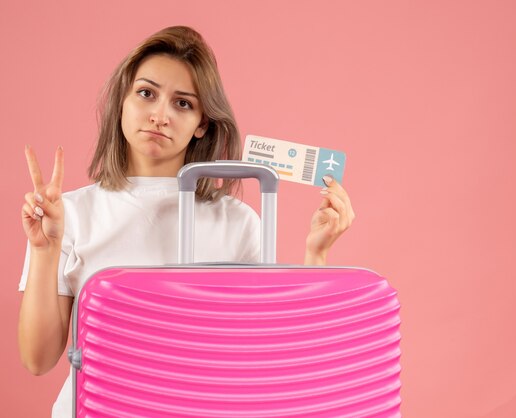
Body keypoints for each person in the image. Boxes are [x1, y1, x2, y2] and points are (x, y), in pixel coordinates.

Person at [17, 26, 355, 417]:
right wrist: (45, 249)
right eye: (146, 93)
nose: (160, 115)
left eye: (182, 103)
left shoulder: (238, 222)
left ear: (202, 124)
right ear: (122, 101)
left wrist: (317, 254)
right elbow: (38, 360)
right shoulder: (70, 213)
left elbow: (273, 355)